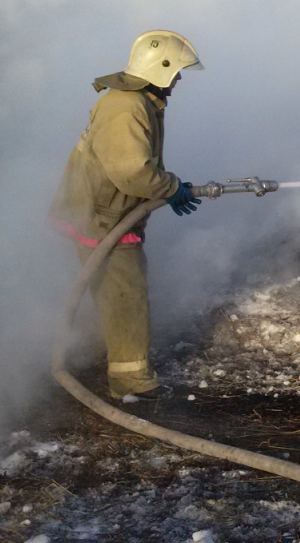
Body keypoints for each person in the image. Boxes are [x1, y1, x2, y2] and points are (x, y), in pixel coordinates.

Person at [49, 30, 203, 400]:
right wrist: (169, 187)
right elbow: (131, 171)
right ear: (160, 69)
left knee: (113, 293)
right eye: (176, 71)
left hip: (106, 213)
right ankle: (131, 385)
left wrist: (166, 188)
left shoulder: (137, 101)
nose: (179, 79)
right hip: (103, 219)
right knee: (126, 297)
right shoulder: (127, 107)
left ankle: (105, 358)